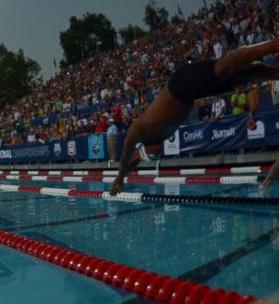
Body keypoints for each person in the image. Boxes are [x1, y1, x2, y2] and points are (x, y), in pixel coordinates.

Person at [110, 39, 279, 195]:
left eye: (153, 154)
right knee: (247, 74)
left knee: (225, 67)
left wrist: (119, 178)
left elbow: (126, 159)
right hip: (193, 93)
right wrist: (124, 176)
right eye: (157, 156)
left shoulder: (139, 130)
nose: (158, 153)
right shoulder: (160, 136)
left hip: (181, 84)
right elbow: (133, 162)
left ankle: (274, 44)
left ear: (145, 149)